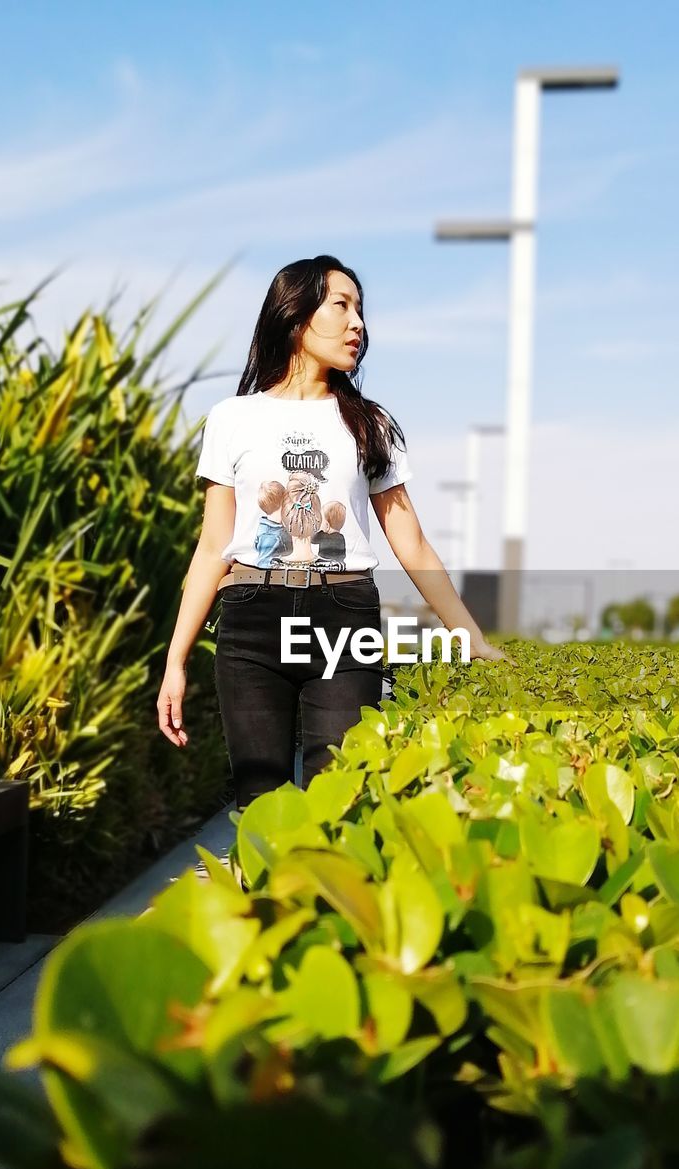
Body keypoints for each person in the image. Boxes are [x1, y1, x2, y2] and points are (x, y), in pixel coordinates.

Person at [157, 254, 510, 816]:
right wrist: (175, 662)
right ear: (296, 316)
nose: (358, 324)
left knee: (340, 801)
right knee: (260, 807)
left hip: (344, 617)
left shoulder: (370, 423)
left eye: (361, 311)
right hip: (251, 616)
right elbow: (211, 547)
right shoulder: (231, 419)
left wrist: (469, 636)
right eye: (341, 306)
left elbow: (410, 541)